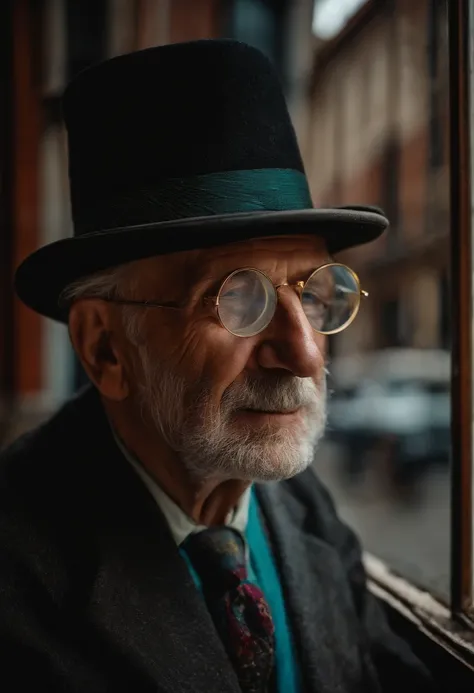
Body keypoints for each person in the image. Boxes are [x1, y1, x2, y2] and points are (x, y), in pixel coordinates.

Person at [0, 40, 435, 693]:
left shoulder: (301, 506)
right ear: (106, 348)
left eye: (313, 292)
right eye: (237, 298)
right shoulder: (17, 576)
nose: (306, 351)